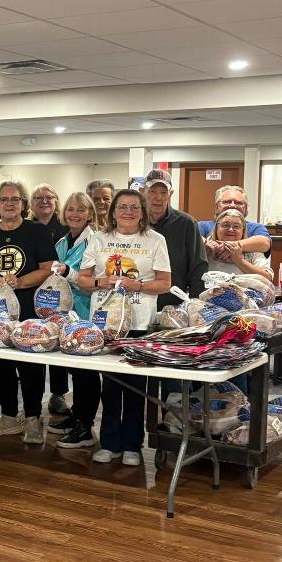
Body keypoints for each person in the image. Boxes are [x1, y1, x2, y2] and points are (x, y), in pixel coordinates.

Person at [78, 190, 171, 466]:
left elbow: (165, 283)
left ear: (142, 211)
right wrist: (100, 282)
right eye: (122, 207)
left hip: (140, 323)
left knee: (134, 385)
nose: (127, 212)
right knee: (110, 385)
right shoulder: (98, 239)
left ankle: (132, 444)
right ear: (113, 211)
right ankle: (109, 443)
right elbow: (83, 279)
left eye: (133, 207)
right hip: (105, 323)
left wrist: (138, 285)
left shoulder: (156, 241)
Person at [0, 181, 56, 443]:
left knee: (30, 366)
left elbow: (49, 266)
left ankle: (32, 420)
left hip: (29, 310)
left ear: (23, 204)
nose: (9, 204)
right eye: (4, 199)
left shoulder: (36, 232)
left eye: (15, 199)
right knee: (1, 365)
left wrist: (21, 281)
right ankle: (8, 417)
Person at [48, 192, 103, 449]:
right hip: (64, 316)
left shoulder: (95, 241)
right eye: (70, 209)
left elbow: (91, 282)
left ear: (90, 213)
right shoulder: (62, 242)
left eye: (81, 210)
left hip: (87, 313)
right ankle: (76, 416)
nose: (74, 214)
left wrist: (68, 272)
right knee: (75, 371)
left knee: (87, 373)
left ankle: (85, 426)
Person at [30, 183, 72, 415]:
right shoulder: (26, 227)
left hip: (60, 296)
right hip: (31, 291)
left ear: (56, 201)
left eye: (49, 197)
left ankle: (58, 394)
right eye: (38, 198)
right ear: (31, 203)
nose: (44, 201)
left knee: (58, 343)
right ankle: (33, 398)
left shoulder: (67, 228)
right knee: (35, 341)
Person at [142, 169, 208, 308]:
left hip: (173, 305)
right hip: (138, 302)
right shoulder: (134, 222)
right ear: (143, 192)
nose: (158, 197)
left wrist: (195, 305)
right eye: (153, 191)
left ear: (170, 194)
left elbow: (198, 268)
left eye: (163, 192)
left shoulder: (186, 224)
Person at [197, 185, 272, 262]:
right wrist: (205, 244)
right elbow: (191, 238)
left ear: (245, 208)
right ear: (217, 207)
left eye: (238, 203)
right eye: (227, 202)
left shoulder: (255, 227)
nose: (232, 205)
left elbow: (264, 243)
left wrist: (230, 247)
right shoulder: (203, 226)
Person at [205, 209, 274, 280]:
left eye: (236, 226)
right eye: (225, 225)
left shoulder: (253, 250)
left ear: (243, 230)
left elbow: (268, 278)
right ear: (216, 228)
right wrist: (207, 257)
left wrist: (240, 261)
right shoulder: (207, 249)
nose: (231, 229)